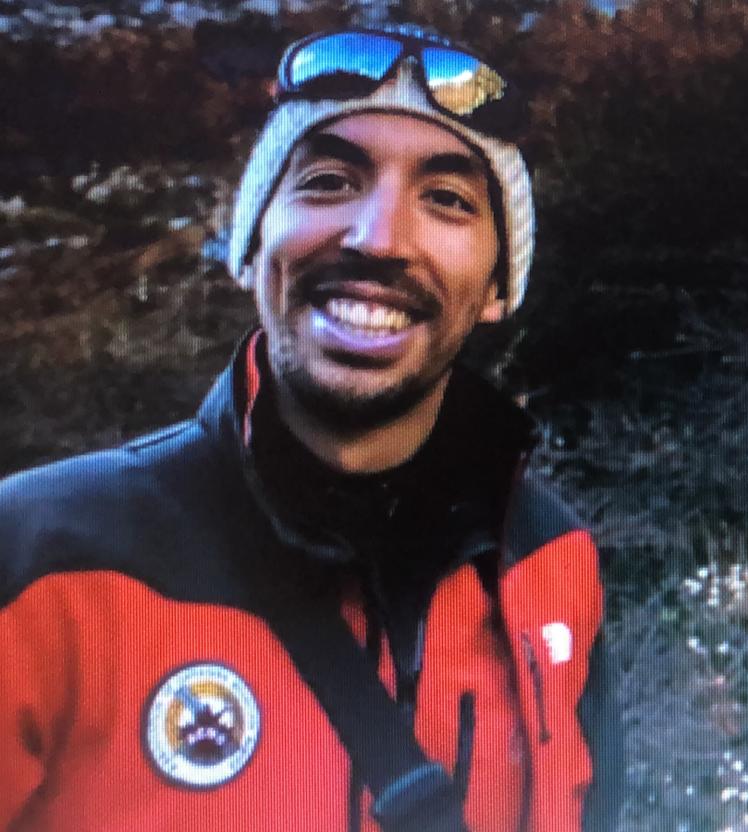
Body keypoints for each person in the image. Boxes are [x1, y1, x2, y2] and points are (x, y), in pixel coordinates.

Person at [0, 25, 618, 832]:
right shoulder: (41, 556)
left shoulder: (553, 562)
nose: (379, 239)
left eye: (447, 200)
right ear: (252, 246)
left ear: (499, 284)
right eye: (328, 182)